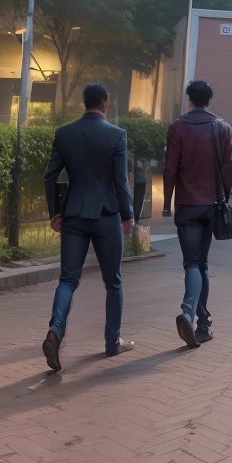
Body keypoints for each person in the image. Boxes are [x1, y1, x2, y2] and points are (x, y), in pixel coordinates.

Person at [41, 82, 135, 372]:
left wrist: (55, 212)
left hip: (75, 215)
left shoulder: (65, 133)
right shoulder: (116, 135)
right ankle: (112, 342)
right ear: (106, 102)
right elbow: (121, 180)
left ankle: (56, 330)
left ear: (85, 102)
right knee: (114, 281)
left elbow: (50, 176)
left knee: (68, 280)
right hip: (107, 215)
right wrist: (128, 214)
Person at [163, 79, 232, 347]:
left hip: (187, 205)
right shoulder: (223, 127)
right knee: (201, 263)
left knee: (192, 263)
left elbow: (170, 168)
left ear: (189, 99)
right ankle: (203, 324)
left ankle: (188, 312)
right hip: (212, 205)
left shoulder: (178, 128)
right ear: (209, 100)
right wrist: (224, 195)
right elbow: (230, 166)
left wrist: (167, 201)